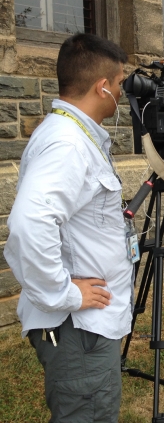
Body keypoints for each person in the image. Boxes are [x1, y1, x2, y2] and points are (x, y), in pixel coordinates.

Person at [4, 33, 131, 422]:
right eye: (121, 84)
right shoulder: (68, 143)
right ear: (102, 87)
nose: (124, 94)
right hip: (79, 329)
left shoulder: (74, 135)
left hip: (86, 329)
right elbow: (29, 223)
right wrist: (63, 294)